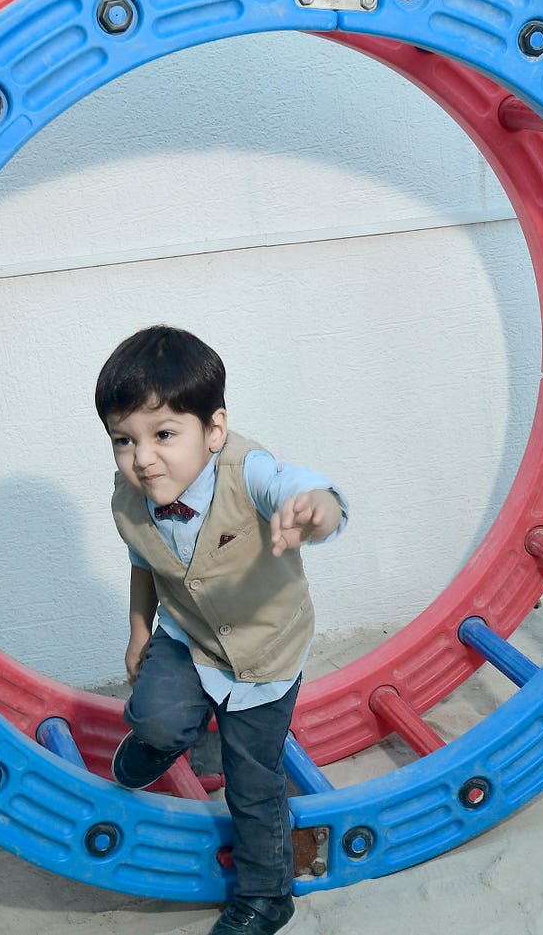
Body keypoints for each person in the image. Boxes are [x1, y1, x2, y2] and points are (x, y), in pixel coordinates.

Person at [95, 325, 347, 935]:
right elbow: (144, 560)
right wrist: (138, 630)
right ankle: (164, 739)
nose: (144, 458)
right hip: (190, 634)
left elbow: (304, 487)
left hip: (266, 651)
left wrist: (317, 510)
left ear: (214, 430)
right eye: (123, 441)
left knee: (252, 781)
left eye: (164, 435)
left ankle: (267, 895)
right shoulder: (130, 500)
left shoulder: (248, 470)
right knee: (153, 713)